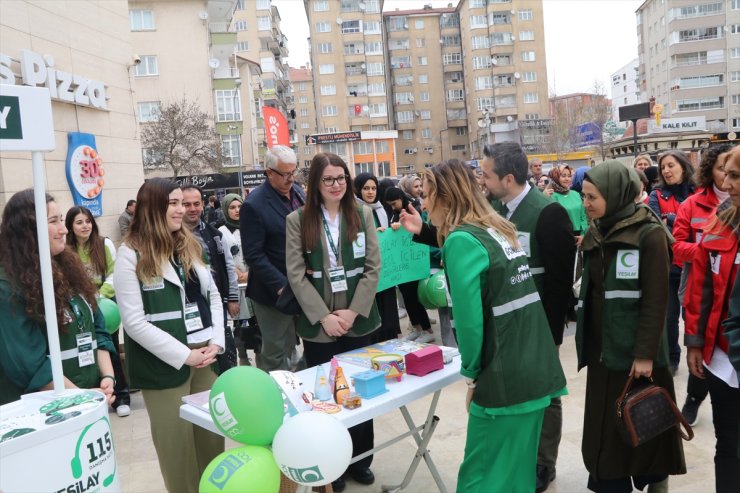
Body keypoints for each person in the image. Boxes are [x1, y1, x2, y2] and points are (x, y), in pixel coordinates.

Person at [401, 143, 575, 492]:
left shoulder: (464, 241)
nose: (423, 202)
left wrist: (471, 378)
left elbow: (469, 323)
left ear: (445, 197)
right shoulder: (497, 227)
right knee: (517, 473)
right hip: (534, 367)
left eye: (427, 194)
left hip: (504, 376)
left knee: (478, 477)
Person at [578, 161, 686, 492]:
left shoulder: (649, 234)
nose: (586, 203)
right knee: (606, 429)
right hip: (603, 353)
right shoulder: (596, 233)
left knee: (645, 423)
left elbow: (656, 300)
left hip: (639, 355)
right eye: (584, 196)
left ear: (616, 193)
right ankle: (611, 483)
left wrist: (644, 354)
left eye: (592, 196)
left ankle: (657, 483)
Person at [114, 178, 224, 493]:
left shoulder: (188, 243)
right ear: (152, 208)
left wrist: (216, 341)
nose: (180, 210)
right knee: (177, 449)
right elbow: (133, 322)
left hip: (205, 355)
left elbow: (212, 296)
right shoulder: (130, 254)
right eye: (172, 203)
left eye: (181, 202)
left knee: (211, 437)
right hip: (165, 365)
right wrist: (183, 354)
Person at [286, 153, 380, 493]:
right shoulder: (298, 220)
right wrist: (324, 316)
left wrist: (352, 313)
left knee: (360, 392)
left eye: (341, 178)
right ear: (316, 184)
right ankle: (333, 466)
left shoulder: (363, 214)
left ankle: (361, 460)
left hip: (359, 320)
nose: (336, 184)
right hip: (320, 325)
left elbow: (373, 268)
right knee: (327, 397)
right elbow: (296, 275)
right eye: (328, 179)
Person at [0, 190, 116, 405]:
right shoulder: (7, 286)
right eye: (53, 221)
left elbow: (96, 326)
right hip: (44, 411)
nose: (64, 229)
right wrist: (84, 399)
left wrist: (107, 376)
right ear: (26, 230)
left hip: (88, 398)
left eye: (61, 220)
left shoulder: (68, 269)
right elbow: (29, 365)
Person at [683, 147, 740, 493]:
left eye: (735, 176)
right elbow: (700, 287)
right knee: (727, 441)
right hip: (720, 358)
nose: (726, 183)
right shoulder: (720, 222)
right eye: (725, 173)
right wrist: (694, 342)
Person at [673, 143, 734, 426]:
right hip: (698, 287)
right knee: (701, 353)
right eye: (722, 169)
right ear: (711, 170)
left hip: (730, 293)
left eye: (732, 171)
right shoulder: (692, 204)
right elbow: (676, 247)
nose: (727, 177)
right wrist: (707, 252)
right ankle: (694, 399)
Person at [240, 145, 305, 371]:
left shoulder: (297, 192)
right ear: (269, 172)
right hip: (273, 291)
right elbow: (253, 254)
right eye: (286, 174)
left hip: (303, 282)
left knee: (302, 342)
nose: (291, 178)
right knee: (276, 349)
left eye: (294, 172)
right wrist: (280, 285)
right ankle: (275, 395)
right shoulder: (254, 205)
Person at [66, 206, 131, 417]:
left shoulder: (104, 244)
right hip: (77, 307)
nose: (85, 226)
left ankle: (121, 396)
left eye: (88, 221)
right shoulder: (66, 249)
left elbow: (114, 273)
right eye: (79, 222)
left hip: (103, 305)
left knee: (109, 348)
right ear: (71, 226)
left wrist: (100, 294)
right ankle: (94, 395)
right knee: (86, 350)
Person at [181, 185, 239, 373]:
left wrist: (233, 297)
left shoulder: (214, 234)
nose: (192, 208)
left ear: (203, 204)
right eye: (186, 204)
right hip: (188, 306)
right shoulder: (171, 236)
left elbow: (228, 267)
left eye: (196, 204)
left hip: (216, 302)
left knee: (222, 350)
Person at [649, 150, 696, 375]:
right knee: (669, 319)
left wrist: (673, 219)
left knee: (694, 316)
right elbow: (657, 227)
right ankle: (672, 358)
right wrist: (680, 222)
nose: (666, 171)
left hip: (694, 266)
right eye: (663, 168)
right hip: (667, 265)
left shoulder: (699, 193)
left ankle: (699, 357)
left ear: (684, 167)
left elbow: (703, 227)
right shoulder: (656, 195)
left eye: (671, 165)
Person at [384, 186, 435, 343]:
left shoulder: (412, 209)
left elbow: (419, 231)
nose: (393, 207)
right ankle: (417, 328)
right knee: (407, 299)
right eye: (390, 205)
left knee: (415, 298)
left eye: (394, 203)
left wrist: (399, 224)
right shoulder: (395, 213)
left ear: (400, 198)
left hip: (413, 264)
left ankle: (427, 330)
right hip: (403, 266)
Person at [354, 172, 401, 342]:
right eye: (366, 188)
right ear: (358, 190)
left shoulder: (381, 209)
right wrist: (370, 234)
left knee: (388, 312)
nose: (370, 192)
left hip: (385, 271)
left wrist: (393, 228)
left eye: (373, 188)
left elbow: (388, 235)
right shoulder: (353, 211)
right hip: (366, 272)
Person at [218, 193, 259, 365]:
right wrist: (236, 272)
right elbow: (221, 258)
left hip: (254, 282)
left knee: (256, 322)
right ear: (226, 210)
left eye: (239, 207)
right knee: (239, 324)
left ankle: (260, 354)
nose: (236, 211)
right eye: (232, 207)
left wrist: (251, 273)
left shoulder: (252, 227)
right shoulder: (220, 232)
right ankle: (242, 355)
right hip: (235, 285)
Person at [545, 164, 589, 243]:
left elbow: (583, 216)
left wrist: (583, 234)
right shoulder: (551, 195)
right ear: (556, 177)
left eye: (569, 176)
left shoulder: (576, 194)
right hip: (560, 238)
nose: (567, 179)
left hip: (579, 236)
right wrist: (543, 198)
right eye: (563, 176)